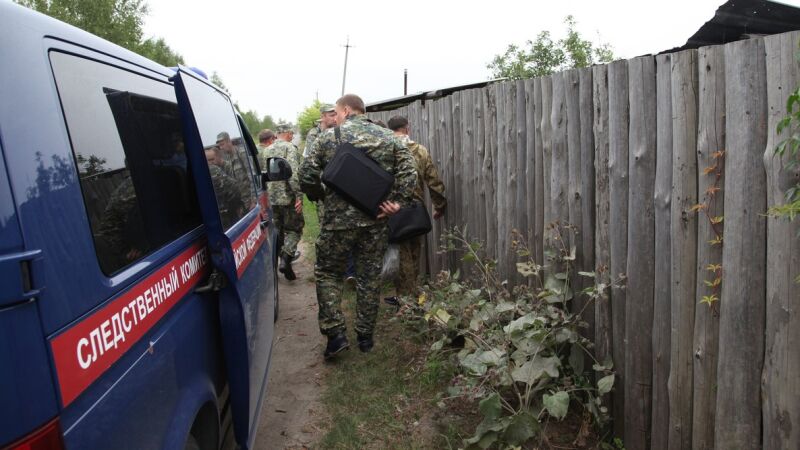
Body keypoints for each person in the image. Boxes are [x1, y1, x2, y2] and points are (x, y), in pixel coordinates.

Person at [300, 94, 417, 358]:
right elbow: (410, 171)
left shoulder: (327, 138)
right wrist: (396, 202)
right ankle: (365, 337)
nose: (336, 117)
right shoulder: (388, 137)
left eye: (337, 112)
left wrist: (319, 195)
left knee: (328, 274)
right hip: (374, 221)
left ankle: (336, 335)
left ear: (345, 110)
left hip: (335, 224)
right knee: (368, 277)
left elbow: (306, 174)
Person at [385, 116, 447, 305]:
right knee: (414, 253)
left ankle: (406, 299)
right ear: (407, 129)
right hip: (415, 211)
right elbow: (433, 181)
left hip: (391, 210)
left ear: (390, 130)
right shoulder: (419, 150)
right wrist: (439, 205)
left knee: (399, 255)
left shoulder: (384, 150)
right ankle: (410, 298)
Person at [263, 124, 304, 280]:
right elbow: (292, 174)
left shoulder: (267, 150)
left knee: (278, 231)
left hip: (272, 199)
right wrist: (299, 195)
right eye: (291, 133)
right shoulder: (290, 148)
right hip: (288, 197)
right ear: (286, 133)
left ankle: (279, 265)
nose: (292, 136)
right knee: (294, 229)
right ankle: (286, 259)